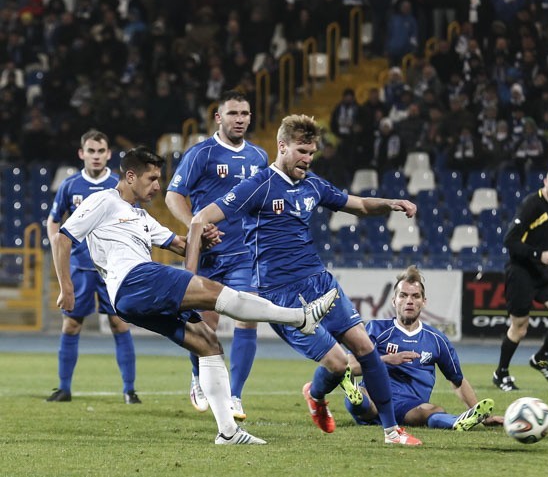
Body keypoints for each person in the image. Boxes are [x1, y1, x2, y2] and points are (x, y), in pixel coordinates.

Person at [53, 146, 336, 445]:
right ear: (131, 176)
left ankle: (228, 432)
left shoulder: (141, 217)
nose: (157, 186)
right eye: (151, 179)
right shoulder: (103, 200)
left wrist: (202, 238)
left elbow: (179, 243)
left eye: (158, 179)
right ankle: (299, 317)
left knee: (206, 341)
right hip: (133, 280)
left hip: (133, 298)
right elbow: (62, 237)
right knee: (215, 292)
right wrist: (66, 288)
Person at [188, 114, 423, 446]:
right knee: (339, 364)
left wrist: (390, 203)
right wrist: (189, 277)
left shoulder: (313, 184)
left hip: (321, 281)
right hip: (282, 294)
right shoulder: (259, 185)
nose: (308, 159)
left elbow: (357, 205)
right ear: (282, 146)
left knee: (366, 348)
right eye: (301, 151)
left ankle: (391, 431)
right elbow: (200, 219)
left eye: (312, 153)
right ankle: (316, 395)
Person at [166, 90, 268, 420]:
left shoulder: (258, 157)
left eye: (245, 113)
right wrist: (195, 224)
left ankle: (235, 395)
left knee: (248, 317)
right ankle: (197, 378)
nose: (240, 119)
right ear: (219, 117)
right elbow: (173, 196)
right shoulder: (201, 154)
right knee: (205, 327)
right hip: (208, 254)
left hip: (243, 253)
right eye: (234, 113)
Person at [343, 265, 503, 431]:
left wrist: (485, 418)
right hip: (374, 399)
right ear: (394, 301)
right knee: (362, 397)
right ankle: (357, 398)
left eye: (415, 296)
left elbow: (458, 381)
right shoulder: (376, 329)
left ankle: (457, 422)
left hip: (408, 408)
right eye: (403, 295)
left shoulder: (437, 340)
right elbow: (349, 366)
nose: (409, 301)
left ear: (423, 301)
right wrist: (385, 360)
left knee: (433, 410)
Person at [45, 130, 139, 404]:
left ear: (109, 154)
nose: (96, 156)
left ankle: (129, 390)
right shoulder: (70, 185)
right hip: (80, 268)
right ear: (81, 153)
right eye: (91, 151)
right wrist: (56, 243)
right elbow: (53, 220)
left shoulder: (118, 185)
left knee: (119, 324)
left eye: (101, 152)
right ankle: (64, 388)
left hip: (113, 270)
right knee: (71, 325)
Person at [492, 166, 548, 391]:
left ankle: (541, 357)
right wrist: (539, 254)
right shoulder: (532, 204)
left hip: (541, 271)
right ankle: (501, 373)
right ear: (545, 181)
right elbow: (510, 241)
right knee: (519, 328)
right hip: (520, 271)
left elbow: (547, 233)